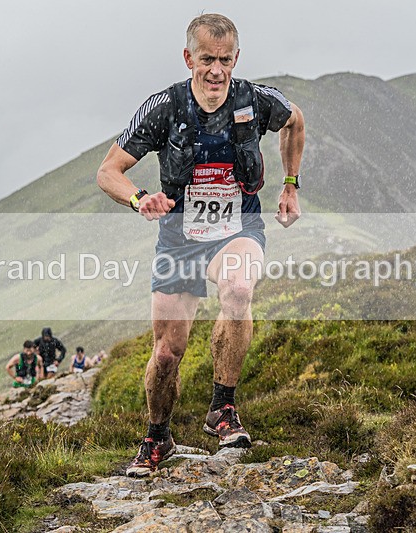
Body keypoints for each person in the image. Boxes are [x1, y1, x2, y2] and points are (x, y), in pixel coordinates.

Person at [96, 13, 305, 477]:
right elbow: (108, 171)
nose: (216, 70)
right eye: (207, 59)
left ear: (236, 59)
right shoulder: (164, 108)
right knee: (168, 352)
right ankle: (157, 437)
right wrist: (138, 199)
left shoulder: (256, 99)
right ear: (188, 58)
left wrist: (290, 184)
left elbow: (296, 121)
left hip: (238, 227)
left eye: (225, 60)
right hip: (178, 237)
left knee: (237, 290)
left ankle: (222, 409)